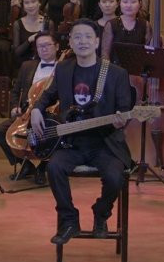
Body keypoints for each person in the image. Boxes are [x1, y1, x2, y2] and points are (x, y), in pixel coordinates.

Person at [30, 19, 134, 245]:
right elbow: (48, 96)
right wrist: (37, 109)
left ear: (97, 42)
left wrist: (120, 121)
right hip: (71, 143)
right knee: (54, 168)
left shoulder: (116, 73)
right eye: (77, 37)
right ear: (70, 42)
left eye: (88, 36)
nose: (83, 41)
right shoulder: (64, 69)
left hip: (105, 143)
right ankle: (69, 220)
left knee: (115, 177)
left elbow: (124, 109)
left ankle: (101, 213)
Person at [0, 32, 60, 185]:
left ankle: (43, 167)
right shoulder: (27, 66)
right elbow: (15, 91)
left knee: (53, 134)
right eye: (40, 46)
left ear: (56, 47)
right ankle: (26, 165)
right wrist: (15, 106)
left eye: (47, 45)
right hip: (26, 113)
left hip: (51, 114)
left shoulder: (63, 68)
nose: (43, 49)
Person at [100, 0, 152, 64]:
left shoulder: (145, 24)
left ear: (140, 4)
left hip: (139, 68)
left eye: (133, 2)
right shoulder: (111, 24)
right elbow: (105, 55)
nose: (129, 5)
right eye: (125, 2)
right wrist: (105, 71)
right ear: (119, 3)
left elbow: (149, 52)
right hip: (116, 68)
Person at [12, 0, 54, 65]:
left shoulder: (48, 23)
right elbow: (16, 53)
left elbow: (52, 49)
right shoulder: (17, 24)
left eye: (33, 1)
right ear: (23, 6)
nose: (30, 6)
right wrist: (29, 40)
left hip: (43, 63)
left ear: (39, 3)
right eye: (26, 3)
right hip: (23, 65)